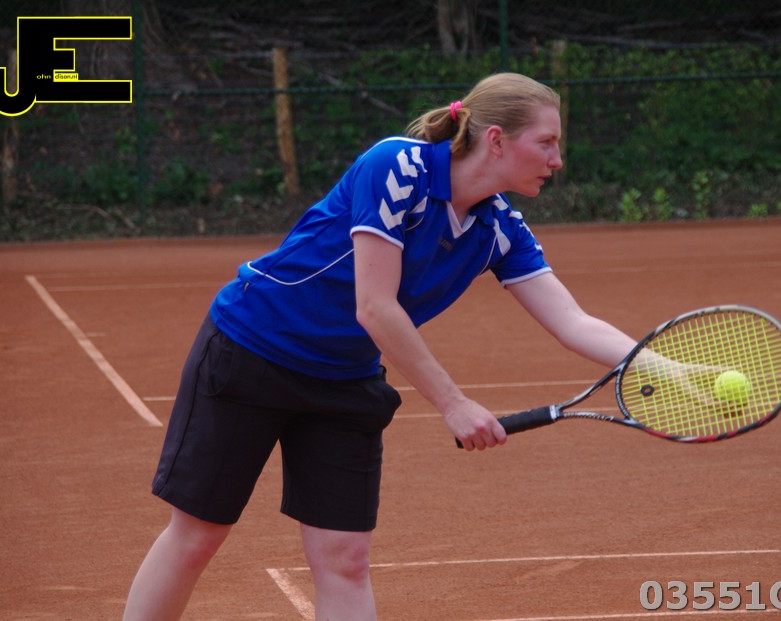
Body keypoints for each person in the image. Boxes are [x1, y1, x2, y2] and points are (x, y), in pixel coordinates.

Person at [122, 72, 645, 621]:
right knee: (198, 535)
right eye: (546, 142)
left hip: (345, 381)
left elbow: (573, 322)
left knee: (345, 559)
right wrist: (453, 402)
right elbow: (373, 306)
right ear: (496, 140)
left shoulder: (500, 229)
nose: (557, 160)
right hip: (253, 352)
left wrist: (668, 366)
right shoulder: (398, 166)